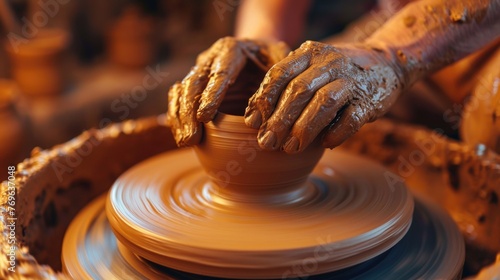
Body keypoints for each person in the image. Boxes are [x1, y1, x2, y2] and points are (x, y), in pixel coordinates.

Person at [166, 0, 500, 154]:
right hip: (398, 17)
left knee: (491, 125)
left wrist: (391, 56)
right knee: (319, 108)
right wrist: (262, 46)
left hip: (484, 29)